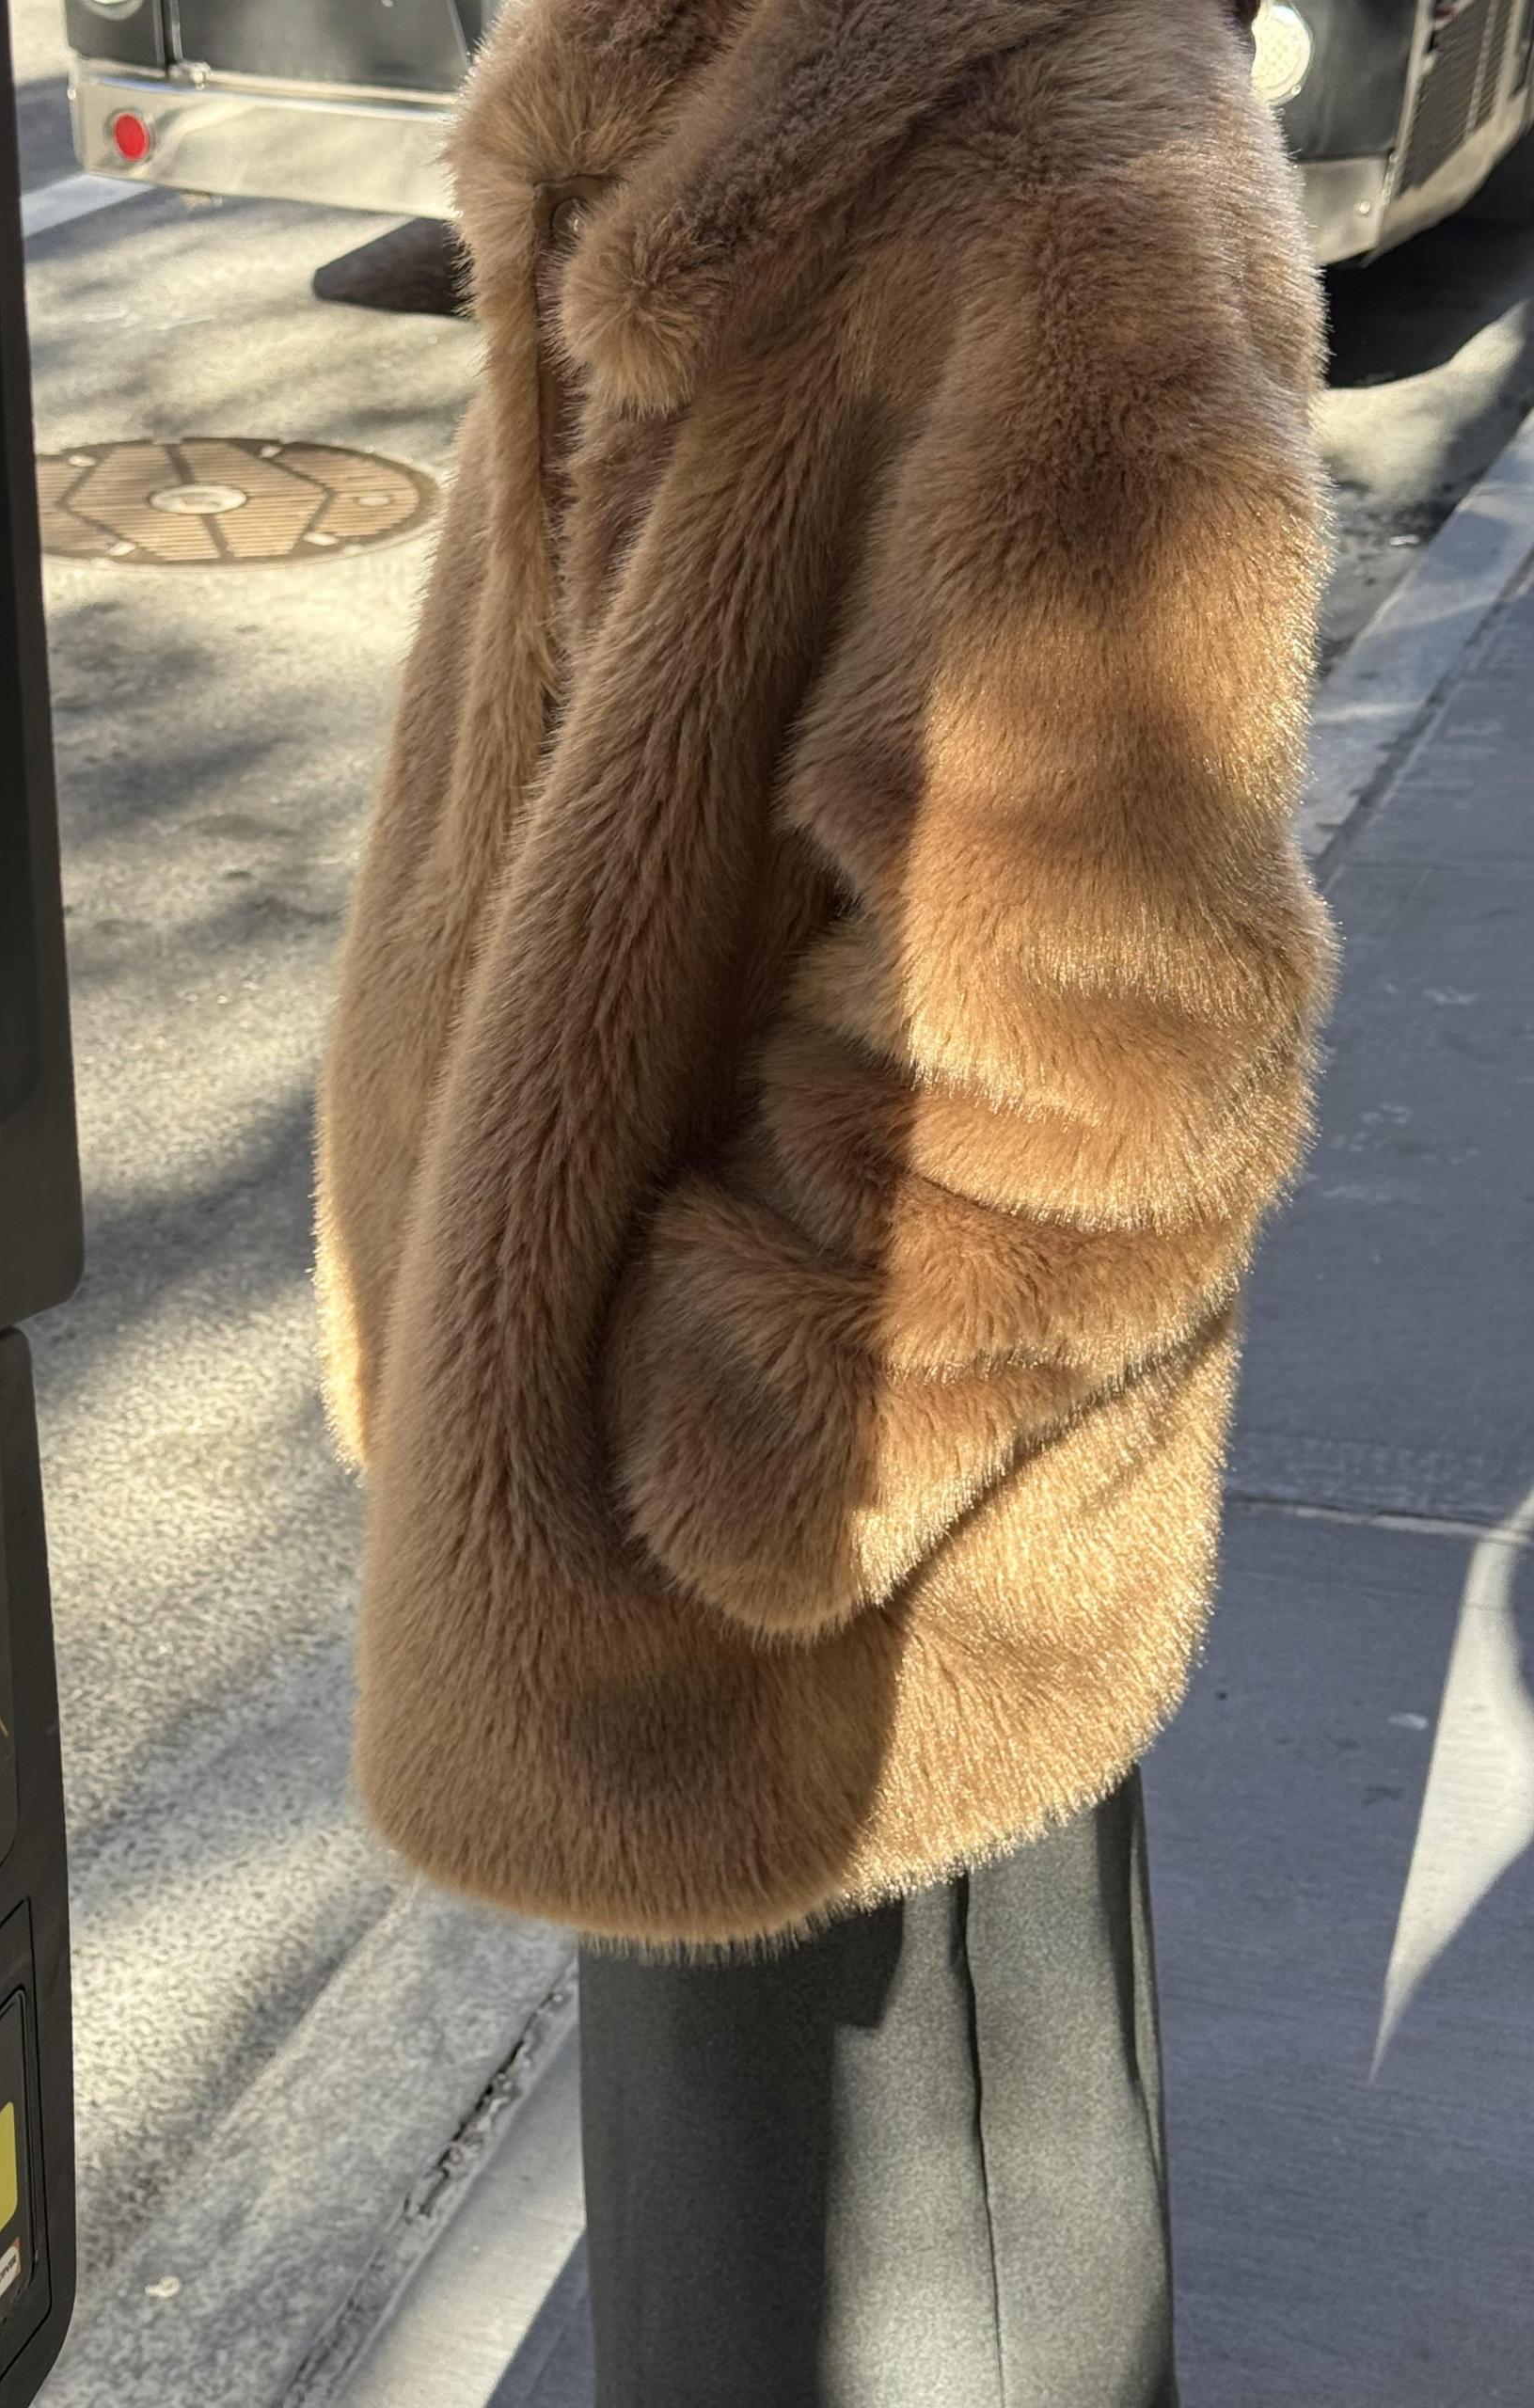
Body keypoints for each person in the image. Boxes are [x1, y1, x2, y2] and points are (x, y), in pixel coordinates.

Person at [315, 0, 1331, 2398]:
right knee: (734, 2275)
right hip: (623, 1508)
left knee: (925, 2273)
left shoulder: (1066, 151)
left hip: (846, 1575)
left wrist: (757, 1438)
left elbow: (1117, 1023)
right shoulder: (668, 73)